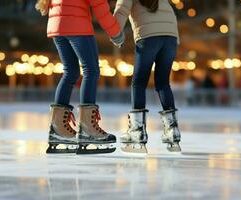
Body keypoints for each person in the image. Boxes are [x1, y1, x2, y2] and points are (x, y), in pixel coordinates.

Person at [36, 0, 124, 154]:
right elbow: (100, 7)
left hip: (57, 26)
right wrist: (116, 33)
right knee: (91, 70)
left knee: (70, 72)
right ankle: (87, 130)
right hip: (77, 25)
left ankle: (58, 130)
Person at [113, 0, 181, 153]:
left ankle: (137, 131)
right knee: (163, 83)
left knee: (139, 83)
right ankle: (172, 130)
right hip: (170, 36)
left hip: (149, 36)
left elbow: (121, 12)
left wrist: (115, 34)